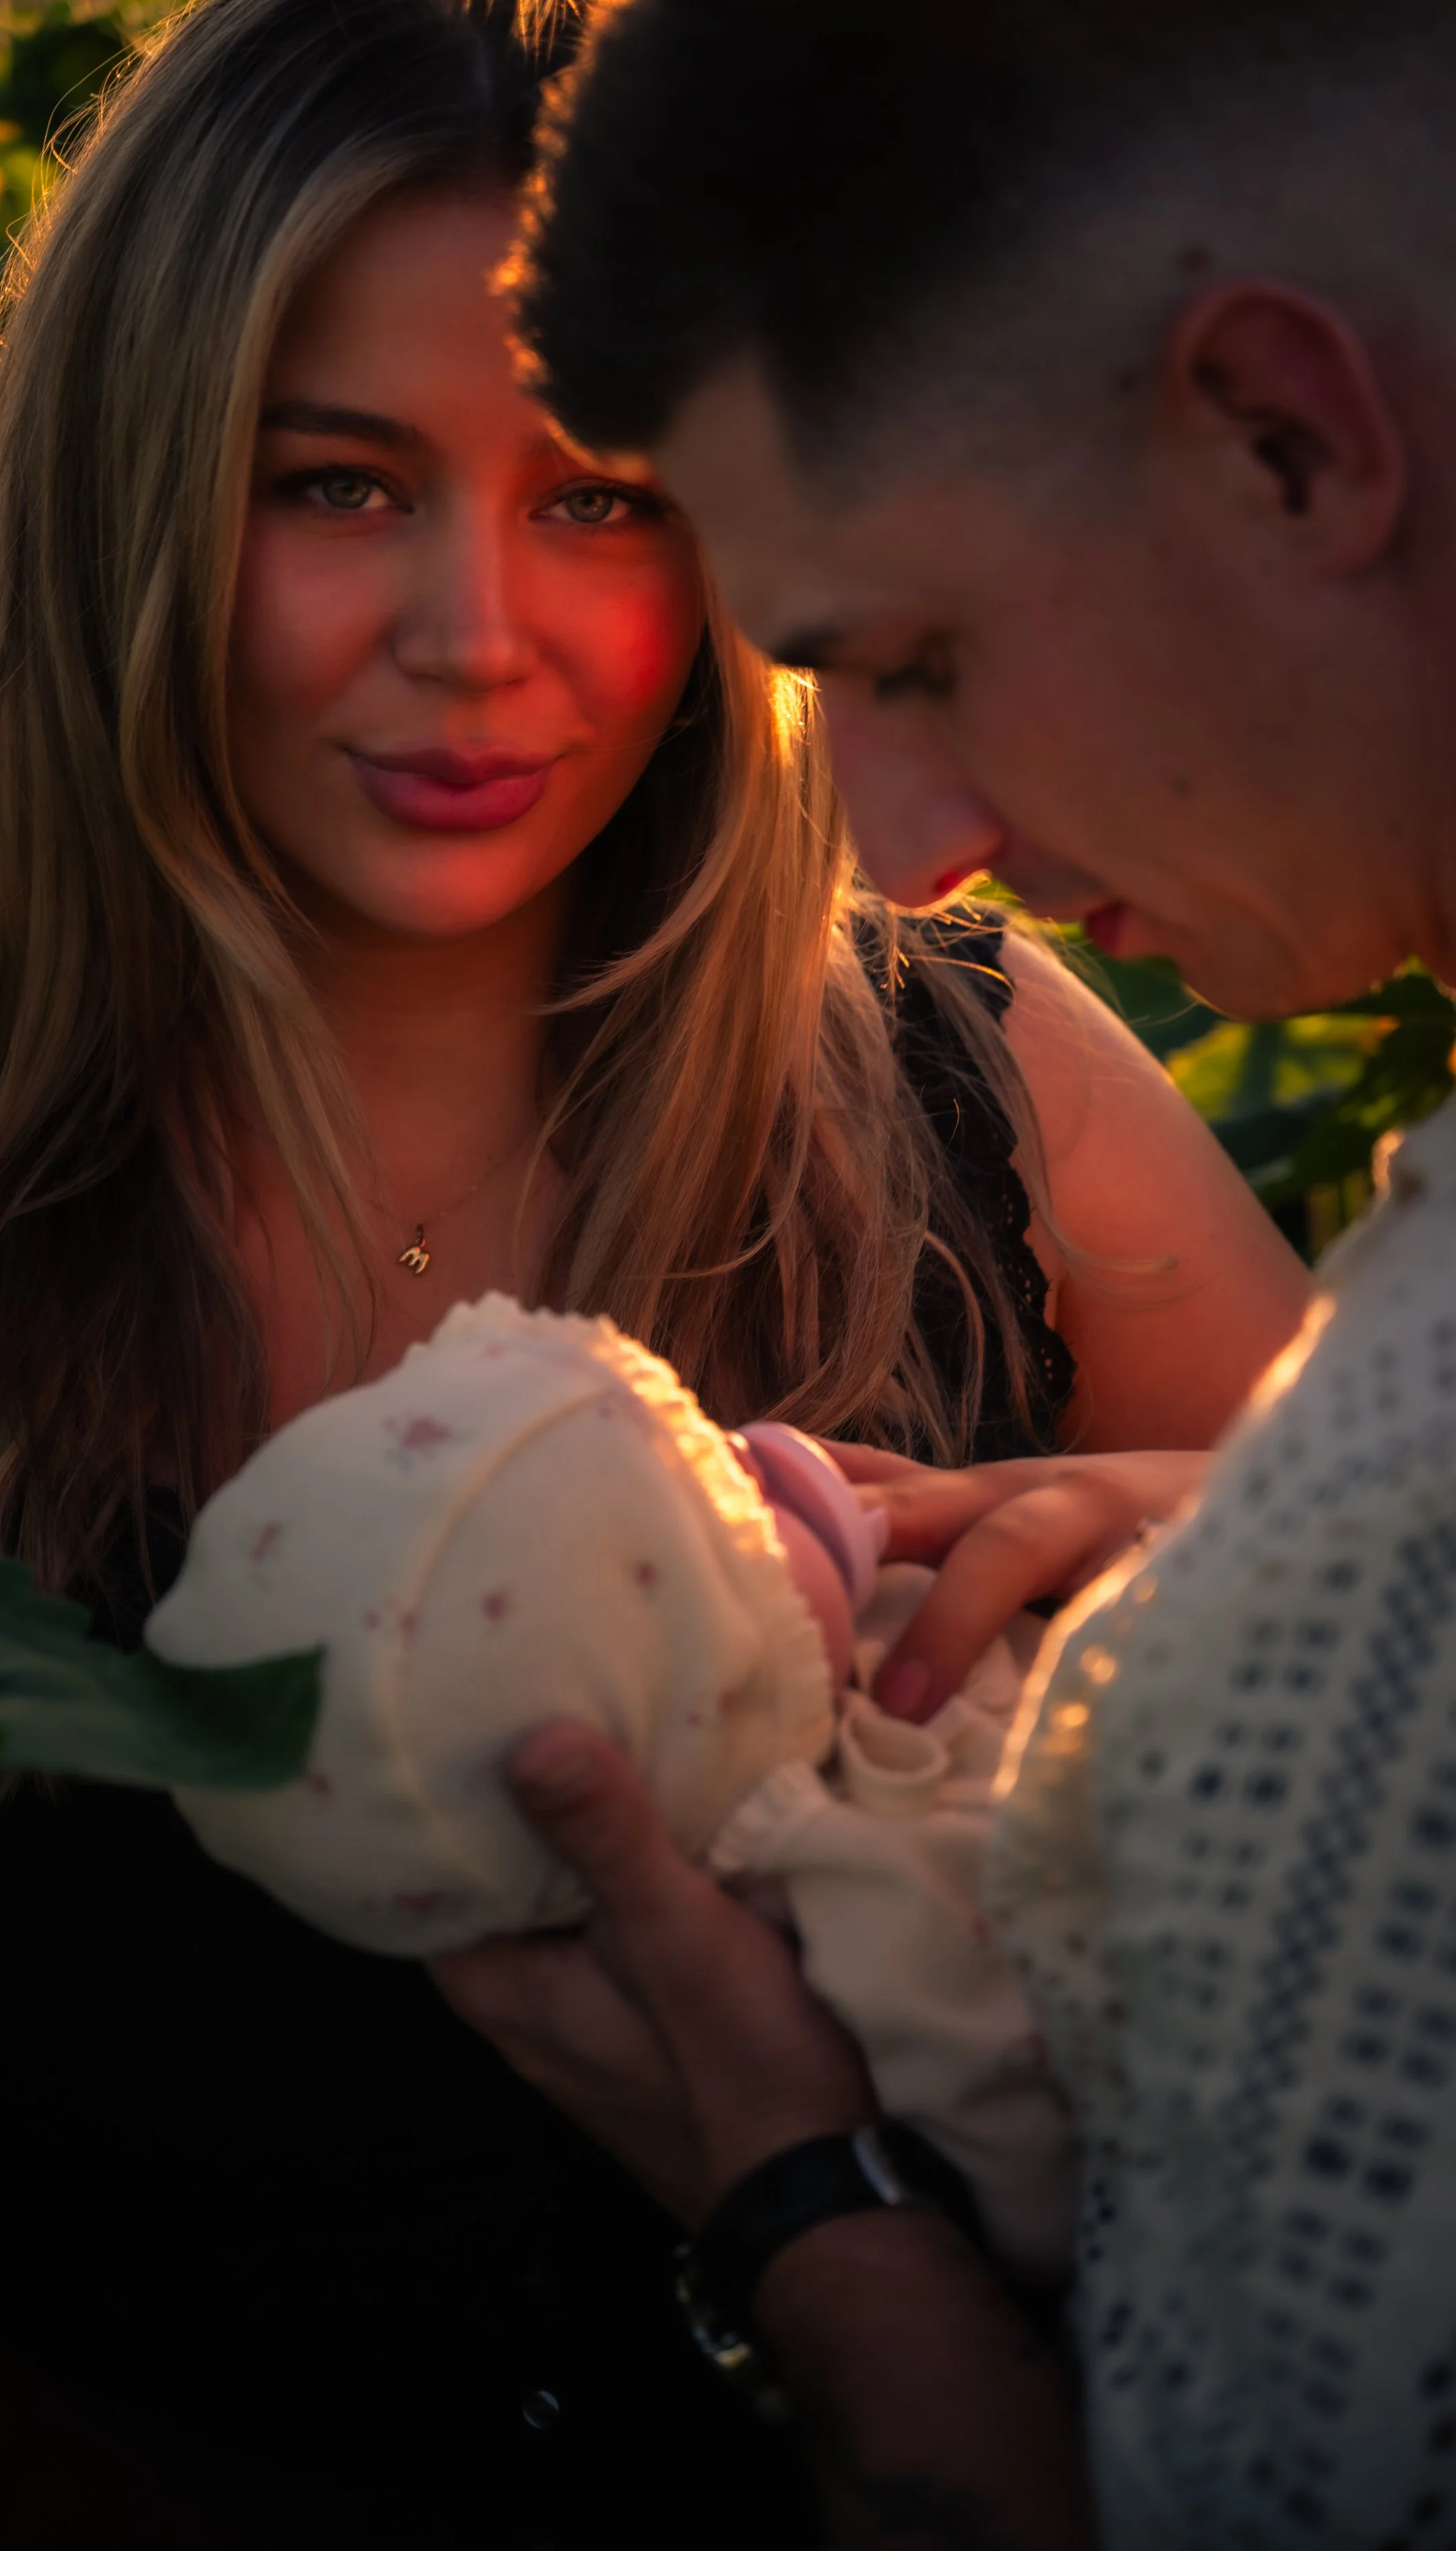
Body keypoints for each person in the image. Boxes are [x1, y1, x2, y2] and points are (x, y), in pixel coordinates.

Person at [0, 0, 1307, 2541]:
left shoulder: (996, 1094)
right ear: (127, 508)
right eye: (336, 486)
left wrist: (1185, 1544)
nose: (478, 632)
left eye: (595, 498)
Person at [431, 1, 1456, 2544]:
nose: (897, 849)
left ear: (1283, 433)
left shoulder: (1368, 1565)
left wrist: (806, 2206)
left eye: (906, 657)